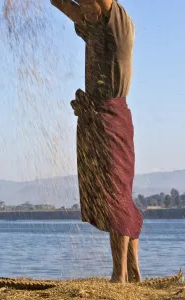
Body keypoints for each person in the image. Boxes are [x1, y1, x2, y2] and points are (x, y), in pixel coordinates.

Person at [51, 0, 143, 283]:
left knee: (117, 198)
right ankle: (132, 272)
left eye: (90, 8)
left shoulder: (117, 27)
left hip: (112, 117)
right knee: (113, 196)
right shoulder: (92, 27)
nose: (84, 12)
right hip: (95, 118)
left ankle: (120, 276)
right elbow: (62, 4)